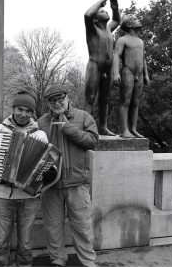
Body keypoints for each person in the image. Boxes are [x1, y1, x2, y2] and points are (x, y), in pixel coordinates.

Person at [0, 87, 48, 267]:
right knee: (0, 241)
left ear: (32, 113)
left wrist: (48, 171)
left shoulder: (40, 135)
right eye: (20, 109)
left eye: (28, 110)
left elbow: (45, 164)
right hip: (4, 197)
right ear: (13, 109)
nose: (23, 114)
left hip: (30, 198)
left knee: (26, 243)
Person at [38, 84, 99, 267]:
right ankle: (58, 259)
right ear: (48, 103)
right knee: (53, 226)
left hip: (77, 183)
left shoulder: (83, 117)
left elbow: (93, 141)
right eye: (52, 100)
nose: (57, 103)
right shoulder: (41, 122)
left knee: (82, 227)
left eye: (60, 99)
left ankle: (88, 262)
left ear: (67, 97)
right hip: (50, 186)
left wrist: (69, 128)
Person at [84, 0, 120, 136]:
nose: (106, 12)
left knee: (105, 99)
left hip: (108, 68)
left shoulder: (108, 29)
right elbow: (87, 14)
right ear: (96, 19)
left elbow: (116, 20)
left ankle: (103, 127)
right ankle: (86, 127)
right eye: (102, 11)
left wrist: (115, 9)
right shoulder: (92, 29)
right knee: (90, 98)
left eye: (105, 11)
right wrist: (101, 2)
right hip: (94, 65)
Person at [111, 14, 150, 138]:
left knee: (135, 102)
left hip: (139, 74)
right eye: (135, 19)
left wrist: (146, 74)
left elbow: (143, 59)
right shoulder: (123, 40)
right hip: (128, 71)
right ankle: (124, 130)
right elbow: (116, 55)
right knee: (125, 101)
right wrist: (116, 73)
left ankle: (133, 129)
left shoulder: (141, 41)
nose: (138, 19)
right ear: (128, 25)